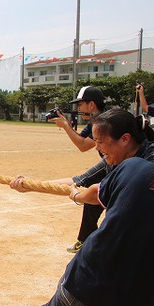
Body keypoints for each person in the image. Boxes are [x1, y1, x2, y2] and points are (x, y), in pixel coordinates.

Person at [8, 140, 154, 306]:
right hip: (135, 293)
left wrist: (76, 194)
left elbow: (94, 192)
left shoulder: (136, 167)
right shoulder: (136, 167)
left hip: (89, 274)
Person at [49, 86, 105, 253]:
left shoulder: (105, 122)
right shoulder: (96, 121)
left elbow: (83, 146)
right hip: (115, 164)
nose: (78, 109)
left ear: (92, 105)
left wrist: (66, 126)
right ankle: (85, 240)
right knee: (93, 194)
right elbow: (82, 141)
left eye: (80, 104)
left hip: (126, 167)